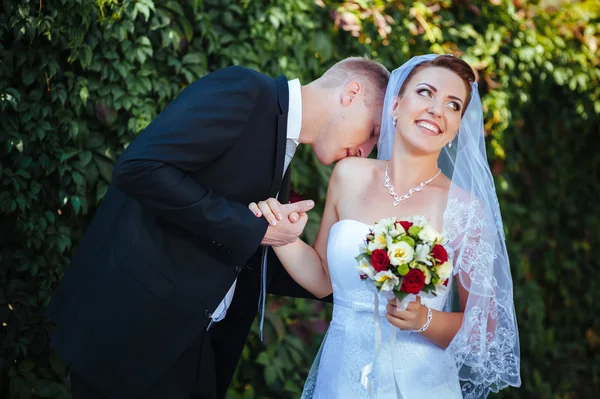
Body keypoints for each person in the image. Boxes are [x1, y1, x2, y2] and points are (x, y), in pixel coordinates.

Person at [46, 57, 390, 399]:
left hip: (195, 347)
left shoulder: (285, 146)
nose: (365, 151)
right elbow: (140, 168)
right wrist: (252, 229)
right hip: (130, 335)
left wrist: (346, 275)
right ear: (351, 93)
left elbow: (241, 250)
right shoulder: (246, 91)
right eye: (373, 131)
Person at [249, 54, 521, 398]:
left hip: (418, 385)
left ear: (456, 128)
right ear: (395, 105)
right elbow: (321, 280)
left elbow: (485, 332)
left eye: (453, 105)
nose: (437, 109)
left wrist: (424, 320)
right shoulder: (348, 175)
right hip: (341, 378)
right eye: (426, 93)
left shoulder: (466, 209)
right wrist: (281, 235)